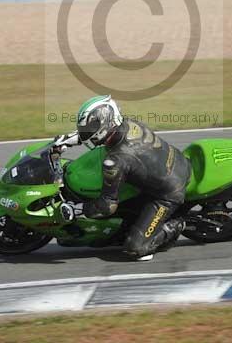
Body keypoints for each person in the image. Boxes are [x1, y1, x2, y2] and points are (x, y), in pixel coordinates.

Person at [73, 94, 191, 261]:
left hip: (168, 193)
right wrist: (64, 142)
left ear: (107, 123)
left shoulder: (116, 160)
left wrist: (77, 209)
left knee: (135, 248)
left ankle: (176, 225)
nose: (88, 133)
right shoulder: (127, 123)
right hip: (174, 161)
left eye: (91, 128)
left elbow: (107, 206)